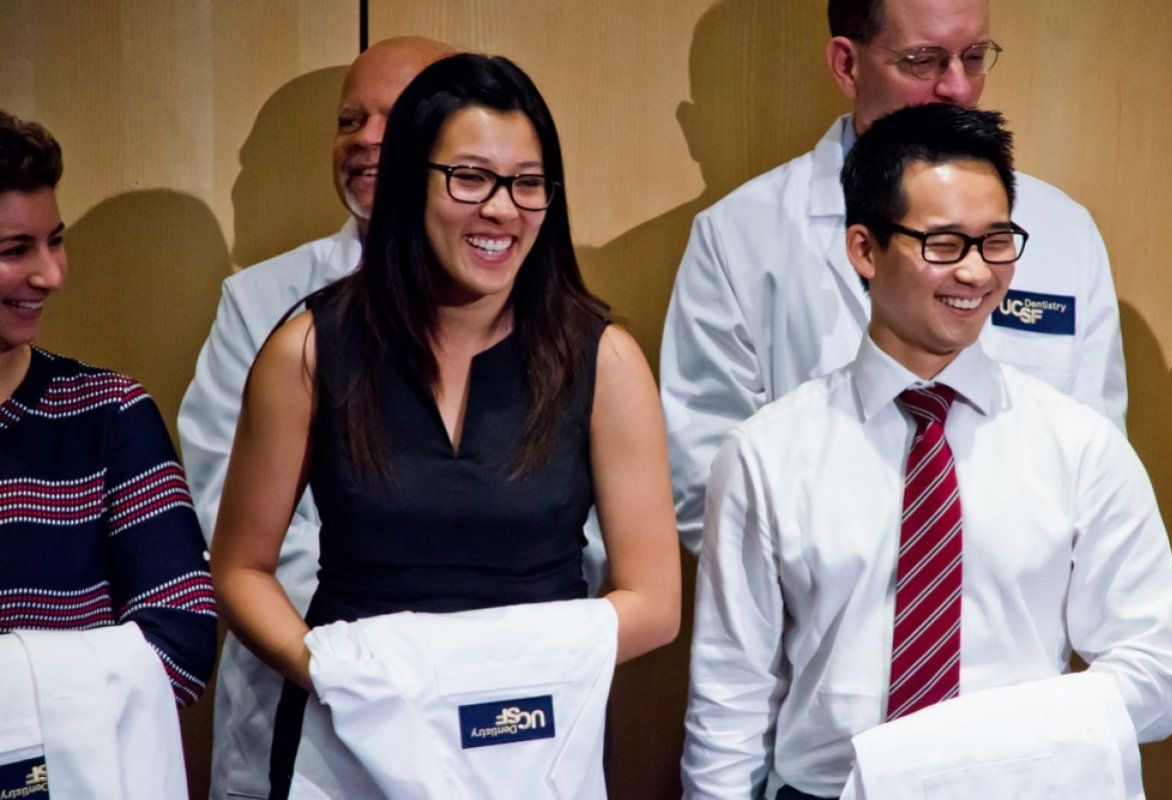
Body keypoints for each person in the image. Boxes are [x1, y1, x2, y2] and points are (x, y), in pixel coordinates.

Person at [680, 104, 1172, 800]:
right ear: (864, 249)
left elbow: (1156, 678)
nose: (978, 275)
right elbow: (729, 697)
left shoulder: (1081, 448)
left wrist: (978, 748)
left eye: (997, 241)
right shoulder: (766, 454)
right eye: (945, 244)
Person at [209, 53, 680, 797]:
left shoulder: (605, 359)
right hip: (352, 730)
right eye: (470, 178)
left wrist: (472, 679)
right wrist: (347, 676)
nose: (502, 209)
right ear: (408, 183)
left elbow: (655, 603)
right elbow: (238, 570)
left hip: (534, 739)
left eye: (528, 183)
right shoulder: (308, 350)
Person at [660, 0, 1126, 556]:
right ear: (847, 65)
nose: (957, 87)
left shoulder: (1063, 232)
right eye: (923, 61)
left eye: (974, 57)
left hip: (1018, 627)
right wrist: (858, 581)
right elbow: (706, 487)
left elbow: (1101, 479)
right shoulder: (740, 238)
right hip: (815, 627)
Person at [176, 36, 451, 798]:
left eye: (392, 119)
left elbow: (569, 529)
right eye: (348, 119)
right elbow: (221, 503)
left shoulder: (529, 310)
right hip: (300, 683)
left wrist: (452, 635)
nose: (363, 138)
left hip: (477, 702)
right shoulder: (261, 304)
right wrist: (377, 642)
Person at [0, 111, 216, 700]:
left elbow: (183, 643)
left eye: (56, 241)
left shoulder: (109, 412)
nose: (51, 275)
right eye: (16, 250)